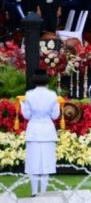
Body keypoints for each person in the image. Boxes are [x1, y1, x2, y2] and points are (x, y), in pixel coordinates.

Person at [21, 69, 59, 197]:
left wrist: (21, 105)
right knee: (45, 165)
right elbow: (55, 115)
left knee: (33, 163)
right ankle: (43, 194)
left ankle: (34, 192)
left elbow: (27, 115)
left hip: (34, 131)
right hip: (47, 131)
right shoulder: (53, 95)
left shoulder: (29, 94)